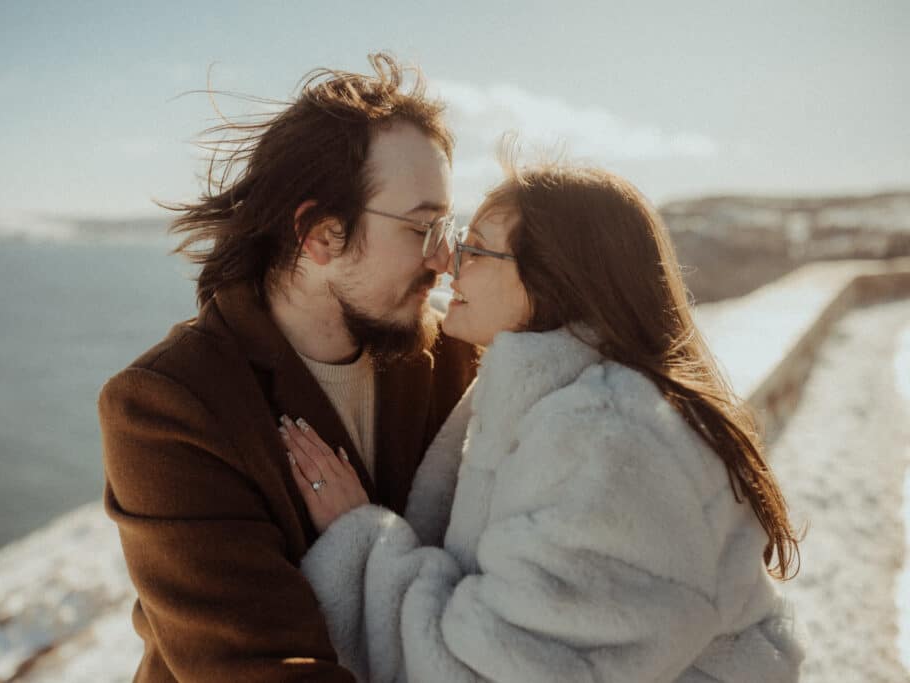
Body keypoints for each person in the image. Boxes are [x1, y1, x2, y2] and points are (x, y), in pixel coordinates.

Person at [282, 159, 805, 682]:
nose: (448, 266)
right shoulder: (568, 399)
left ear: (553, 279)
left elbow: (495, 669)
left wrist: (364, 545)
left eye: (475, 248)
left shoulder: (606, 439)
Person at [97, 53, 478, 682]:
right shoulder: (167, 407)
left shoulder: (457, 356)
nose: (442, 261)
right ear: (321, 235)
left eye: (447, 226)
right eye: (420, 228)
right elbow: (260, 669)